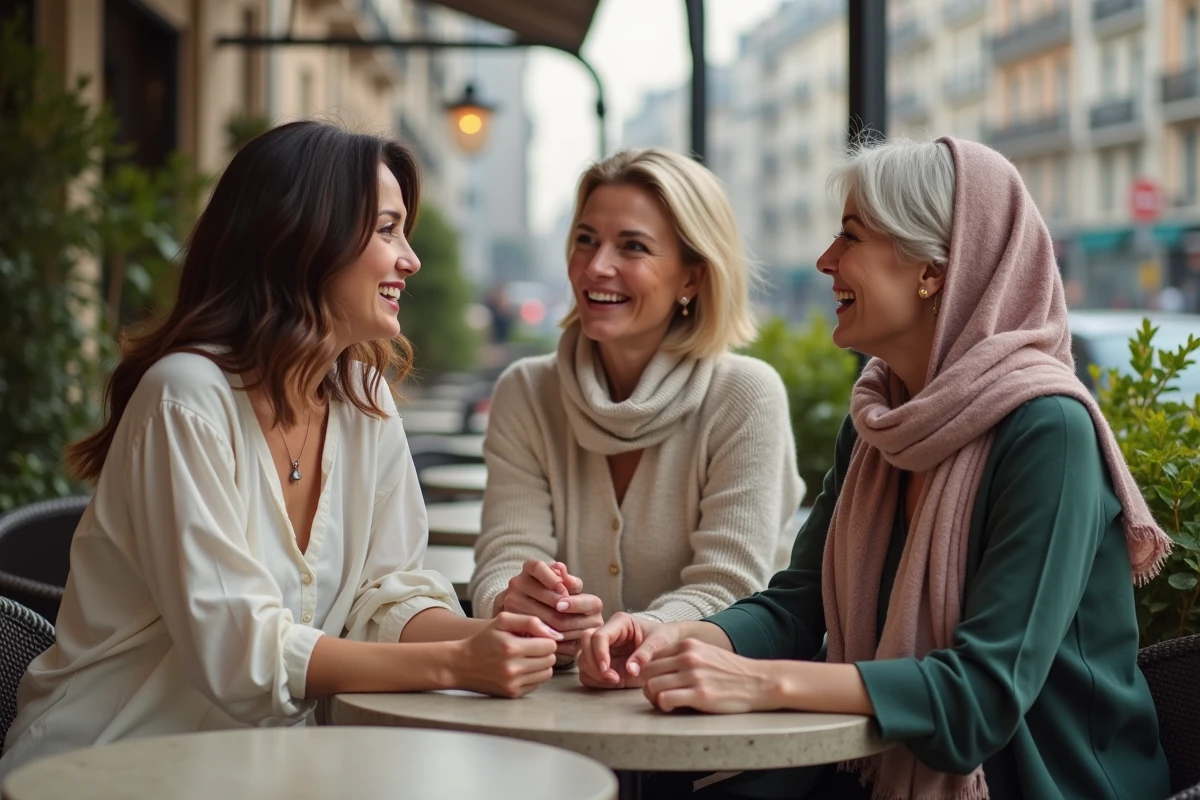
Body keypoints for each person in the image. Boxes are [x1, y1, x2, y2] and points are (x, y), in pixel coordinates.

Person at [576, 137, 1172, 800]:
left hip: (1040, 780)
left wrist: (760, 681)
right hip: (881, 763)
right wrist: (675, 635)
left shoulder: (1047, 430)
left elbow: (982, 698)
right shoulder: (881, 420)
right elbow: (796, 606)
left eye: (851, 236)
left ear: (932, 270)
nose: (825, 260)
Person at [0, 121, 560, 778]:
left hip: (267, 766)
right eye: (387, 230)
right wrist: (458, 663)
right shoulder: (185, 399)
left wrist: (518, 641)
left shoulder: (363, 400)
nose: (410, 260)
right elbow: (239, 652)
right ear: (305, 239)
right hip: (110, 767)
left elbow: (385, 598)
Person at [469, 148, 804, 665]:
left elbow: (732, 586)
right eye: (586, 240)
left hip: (707, 697)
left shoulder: (745, 395)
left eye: (633, 247)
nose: (596, 266)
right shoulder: (526, 392)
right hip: (552, 694)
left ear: (691, 278)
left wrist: (640, 634)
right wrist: (518, 604)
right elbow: (505, 557)